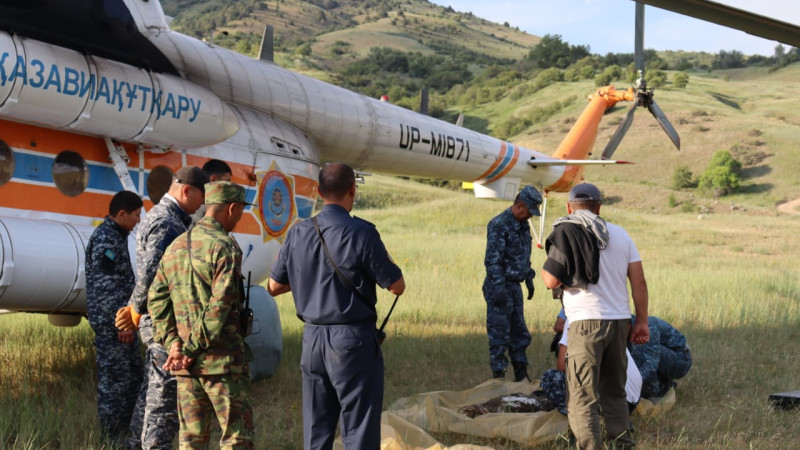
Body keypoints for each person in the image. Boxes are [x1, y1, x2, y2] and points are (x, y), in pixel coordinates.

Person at [267, 163, 405, 450]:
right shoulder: (362, 232)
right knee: (358, 432)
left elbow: (274, 286)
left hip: (313, 340)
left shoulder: (297, 233)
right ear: (353, 189)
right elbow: (397, 286)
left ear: (319, 191)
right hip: (352, 342)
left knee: (316, 432)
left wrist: (311, 275)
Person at [541, 183, 649, 450]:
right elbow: (639, 283)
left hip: (586, 324)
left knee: (581, 395)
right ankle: (624, 444)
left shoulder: (566, 232)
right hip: (620, 323)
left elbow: (551, 280)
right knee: (615, 390)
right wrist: (642, 322)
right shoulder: (621, 235)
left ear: (569, 207)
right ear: (599, 207)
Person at [149, 181, 254, 449]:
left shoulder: (175, 246)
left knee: (192, 440)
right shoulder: (224, 248)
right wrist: (190, 349)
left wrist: (174, 344)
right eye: (241, 211)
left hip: (186, 366)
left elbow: (156, 300)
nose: (239, 217)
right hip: (222, 363)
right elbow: (218, 307)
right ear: (231, 208)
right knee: (236, 439)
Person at [116, 165, 209, 450]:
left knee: (151, 394)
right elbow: (153, 276)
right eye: (201, 197)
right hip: (163, 324)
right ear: (186, 191)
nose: (203, 205)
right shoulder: (168, 222)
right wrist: (135, 308)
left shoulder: (163, 217)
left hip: (157, 321)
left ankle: (135, 444)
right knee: (164, 402)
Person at [85, 190, 144, 445]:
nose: (138, 220)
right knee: (115, 384)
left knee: (131, 379)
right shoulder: (107, 239)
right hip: (115, 327)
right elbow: (107, 287)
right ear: (121, 214)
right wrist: (121, 325)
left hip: (122, 324)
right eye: (135, 215)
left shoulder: (116, 236)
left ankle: (126, 434)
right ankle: (111, 439)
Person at [482, 185, 542, 382]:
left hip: (515, 286)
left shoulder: (523, 226)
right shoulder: (499, 224)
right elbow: (492, 260)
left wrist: (529, 277)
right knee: (500, 334)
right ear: (519, 206)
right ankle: (498, 378)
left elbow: (523, 255)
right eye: (529, 211)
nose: (530, 217)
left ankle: (521, 375)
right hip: (499, 286)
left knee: (519, 332)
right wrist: (498, 287)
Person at [540, 318, 642, 416]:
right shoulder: (607, 315)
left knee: (550, 377)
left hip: (611, 401)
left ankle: (580, 412)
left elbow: (562, 366)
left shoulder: (574, 318)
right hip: (631, 401)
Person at [630, 315, 692, 399]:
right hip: (665, 356)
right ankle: (663, 383)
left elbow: (651, 365)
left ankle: (654, 392)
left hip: (682, 359)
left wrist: (631, 386)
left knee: (637, 351)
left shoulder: (648, 325)